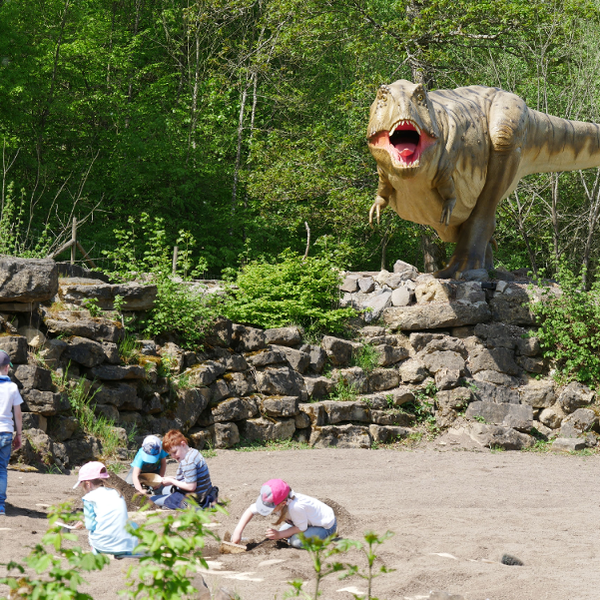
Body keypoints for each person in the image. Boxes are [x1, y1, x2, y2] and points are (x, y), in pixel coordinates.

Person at [231, 479, 337, 549]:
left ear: (282, 504)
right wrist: (237, 532)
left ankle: (324, 538)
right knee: (282, 533)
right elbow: (250, 510)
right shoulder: (279, 501)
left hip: (325, 526)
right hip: (304, 522)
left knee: (296, 542)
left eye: (270, 507)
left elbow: (301, 528)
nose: (266, 509)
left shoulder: (295, 507)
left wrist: (279, 535)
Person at [72, 461, 139, 556]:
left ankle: (95, 551)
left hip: (103, 546)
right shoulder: (117, 493)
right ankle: (126, 550)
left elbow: (90, 525)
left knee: (93, 534)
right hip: (125, 546)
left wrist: (84, 523)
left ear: (88, 484)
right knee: (132, 524)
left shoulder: (89, 498)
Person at [150, 429, 217, 509]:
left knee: (152, 499)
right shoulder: (193, 452)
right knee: (165, 490)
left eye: (174, 452)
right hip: (205, 492)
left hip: (196, 497)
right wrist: (172, 479)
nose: (173, 456)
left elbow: (191, 487)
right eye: (170, 454)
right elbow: (191, 477)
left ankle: (190, 505)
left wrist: (172, 481)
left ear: (183, 444)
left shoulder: (188, 462)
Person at [0, 350, 22, 517]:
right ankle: (0, 506)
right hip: (6, 432)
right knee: (2, 470)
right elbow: (18, 414)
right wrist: (19, 435)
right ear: (7, 368)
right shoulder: (13, 387)